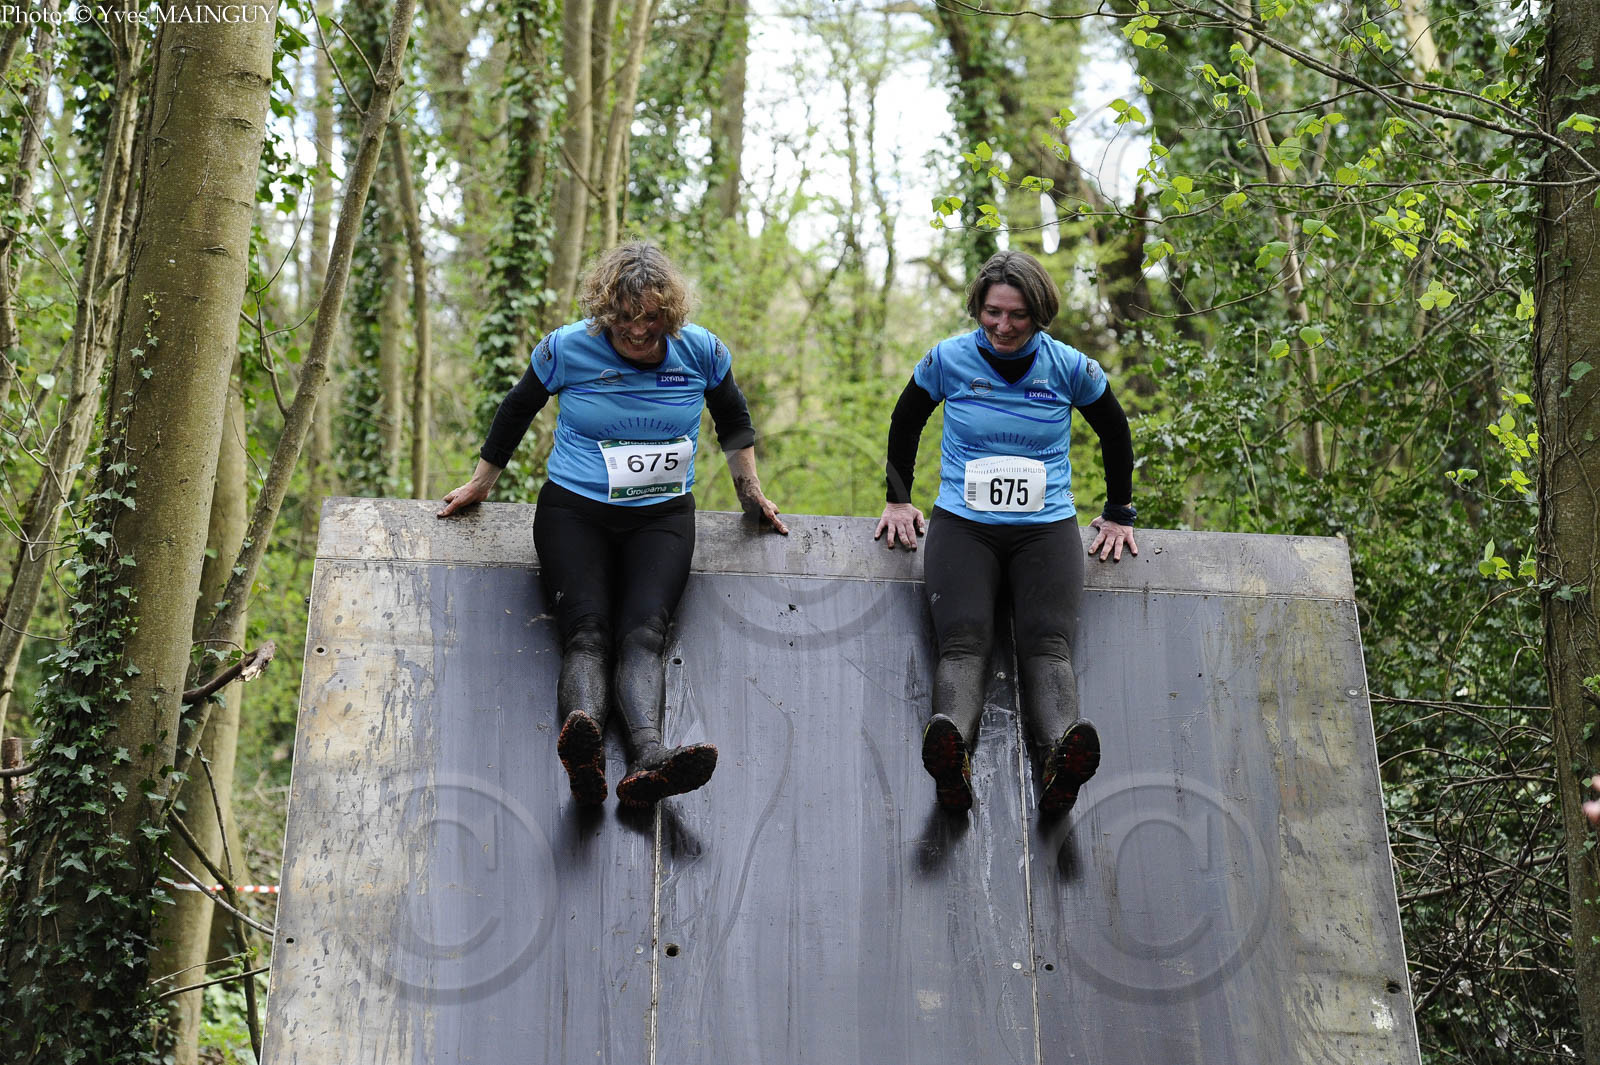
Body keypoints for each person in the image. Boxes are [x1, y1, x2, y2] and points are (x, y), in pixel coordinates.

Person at [439, 242, 787, 806]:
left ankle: (649, 759)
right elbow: (517, 408)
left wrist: (750, 492)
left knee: (644, 635)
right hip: (576, 511)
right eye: (624, 317)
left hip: (662, 517)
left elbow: (733, 418)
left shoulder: (702, 351)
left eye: (651, 317)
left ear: (670, 313)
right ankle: (585, 753)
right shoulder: (566, 348)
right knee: (587, 634)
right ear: (604, 312)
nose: (638, 329)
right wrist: (481, 483)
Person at [873, 250, 1137, 816]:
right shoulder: (949, 358)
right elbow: (906, 420)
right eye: (993, 312)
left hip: (1045, 529)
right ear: (978, 308)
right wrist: (898, 500)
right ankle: (952, 762)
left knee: (1048, 647)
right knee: (963, 644)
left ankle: (1061, 763)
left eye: (1017, 315)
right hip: (964, 527)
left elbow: (1115, 431)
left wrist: (1119, 512)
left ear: (1039, 313)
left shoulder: (1069, 366)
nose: (1003, 326)